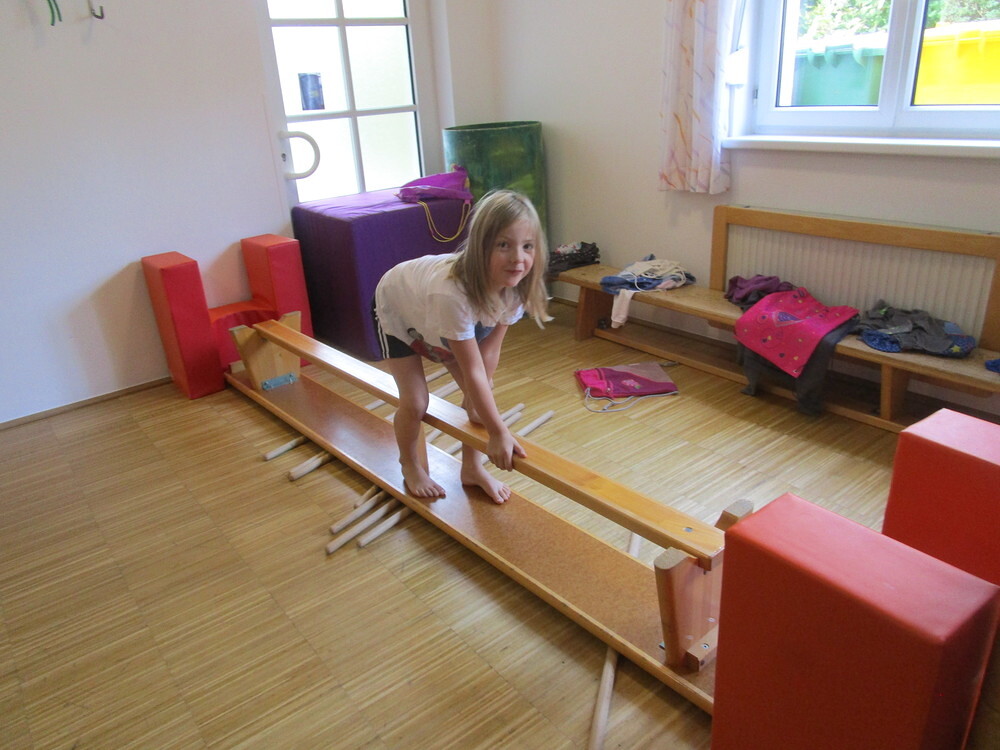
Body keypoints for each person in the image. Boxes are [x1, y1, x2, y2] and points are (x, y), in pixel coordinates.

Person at [373, 190, 550, 503]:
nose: (518, 258)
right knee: (415, 402)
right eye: (503, 245)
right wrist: (498, 432)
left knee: (478, 402)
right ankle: (409, 464)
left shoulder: (515, 289)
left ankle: (471, 469)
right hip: (400, 309)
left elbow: (488, 355)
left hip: (444, 321)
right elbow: (472, 369)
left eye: (527, 246)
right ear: (481, 246)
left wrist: (483, 408)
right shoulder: (451, 294)